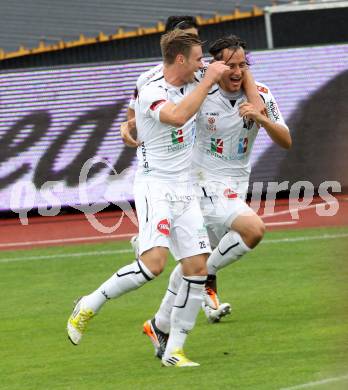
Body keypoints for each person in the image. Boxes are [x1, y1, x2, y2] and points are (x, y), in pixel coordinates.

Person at [67, 30, 229, 368]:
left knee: (197, 267)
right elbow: (176, 116)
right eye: (199, 59)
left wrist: (129, 127)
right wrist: (132, 123)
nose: (204, 65)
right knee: (154, 265)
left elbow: (132, 117)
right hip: (155, 184)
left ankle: (175, 351)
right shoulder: (152, 85)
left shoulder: (195, 75)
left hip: (185, 185)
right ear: (180, 59)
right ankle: (89, 304)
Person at [140, 35, 291, 358]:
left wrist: (262, 117)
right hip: (200, 179)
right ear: (215, 66)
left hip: (237, 182)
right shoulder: (201, 90)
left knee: (192, 264)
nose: (237, 72)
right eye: (230, 65)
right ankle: (199, 288)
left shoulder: (261, 94)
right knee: (253, 230)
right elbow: (165, 86)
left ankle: (160, 324)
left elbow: (286, 140)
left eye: (243, 66)